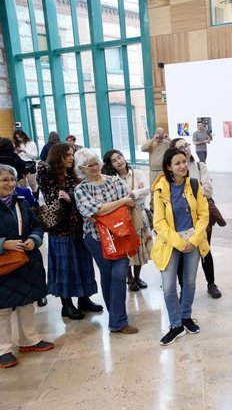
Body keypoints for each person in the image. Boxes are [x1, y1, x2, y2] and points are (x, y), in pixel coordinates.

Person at [74, 149, 138, 334]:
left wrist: (111, 207)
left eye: (96, 163)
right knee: (108, 274)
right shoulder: (81, 189)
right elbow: (95, 211)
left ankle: (118, 320)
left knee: (119, 274)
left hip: (120, 235)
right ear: (82, 169)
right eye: (89, 165)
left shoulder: (114, 181)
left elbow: (130, 204)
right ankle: (116, 318)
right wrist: (120, 202)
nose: (94, 167)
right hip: (95, 237)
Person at [151, 148, 209, 346]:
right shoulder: (160, 189)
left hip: (193, 239)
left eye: (184, 161)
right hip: (170, 241)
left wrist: (193, 240)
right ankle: (175, 325)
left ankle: (186, 317)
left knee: (190, 283)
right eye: (177, 163)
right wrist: (179, 242)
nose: (183, 166)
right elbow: (158, 222)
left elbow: (203, 215)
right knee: (168, 288)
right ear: (169, 167)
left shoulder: (193, 185)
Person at [36, 143, 101, 320]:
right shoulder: (47, 174)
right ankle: (67, 305)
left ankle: (84, 298)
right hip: (60, 229)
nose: (72, 158)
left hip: (79, 227)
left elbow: (79, 196)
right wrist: (72, 196)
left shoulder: (73, 176)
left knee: (83, 263)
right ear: (59, 157)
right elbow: (53, 197)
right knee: (65, 267)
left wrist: (70, 196)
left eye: (72, 154)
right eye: (68, 155)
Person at [0, 164, 54, 369]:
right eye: (5, 180)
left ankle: (29, 340)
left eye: (13, 180)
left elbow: (37, 225)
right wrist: (3, 243)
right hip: (4, 263)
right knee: (3, 308)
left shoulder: (21, 202)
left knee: (26, 302)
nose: (11, 184)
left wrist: (34, 238)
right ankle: (3, 349)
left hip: (25, 260)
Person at [170, 138, 222, 298]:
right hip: (180, 220)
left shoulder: (200, 166)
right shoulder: (170, 172)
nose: (186, 149)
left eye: (186, 145)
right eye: (181, 147)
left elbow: (208, 191)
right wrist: (196, 188)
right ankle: (183, 287)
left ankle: (211, 283)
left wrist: (188, 190)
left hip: (201, 216)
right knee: (180, 253)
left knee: (205, 250)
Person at [102, 149, 152, 292]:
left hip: (139, 214)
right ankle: (129, 278)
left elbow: (148, 189)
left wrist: (134, 194)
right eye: (114, 160)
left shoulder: (137, 173)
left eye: (120, 157)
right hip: (122, 218)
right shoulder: (111, 179)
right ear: (111, 165)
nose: (119, 161)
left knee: (140, 247)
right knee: (127, 248)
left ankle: (137, 277)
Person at [13, 129, 38, 196]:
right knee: (23, 187)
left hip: (29, 164)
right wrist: (17, 152)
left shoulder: (31, 143)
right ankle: (26, 203)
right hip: (20, 164)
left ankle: (35, 202)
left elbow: (34, 156)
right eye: (17, 138)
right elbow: (14, 156)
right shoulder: (16, 144)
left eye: (19, 137)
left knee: (33, 185)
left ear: (24, 136)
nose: (19, 139)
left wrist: (24, 151)